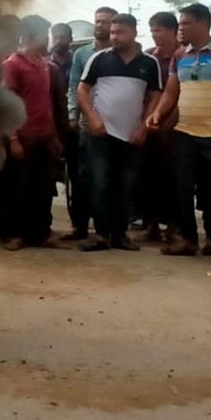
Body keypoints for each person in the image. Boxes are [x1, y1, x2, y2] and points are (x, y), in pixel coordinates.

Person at [147, 3, 211, 267]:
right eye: (180, 24)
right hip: (185, 132)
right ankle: (188, 240)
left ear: (203, 24)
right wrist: (158, 113)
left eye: (185, 24)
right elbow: (171, 91)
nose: (180, 28)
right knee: (181, 188)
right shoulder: (180, 55)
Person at [76, 13, 161, 251]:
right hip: (101, 133)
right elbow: (82, 90)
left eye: (120, 32)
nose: (114, 37)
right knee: (100, 183)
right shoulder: (99, 59)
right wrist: (92, 118)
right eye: (112, 32)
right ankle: (102, 235)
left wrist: (144, 126)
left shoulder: (148, 63)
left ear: (134, 32)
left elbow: (156, 95)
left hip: (132, 136)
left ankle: (120, 235)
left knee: (126, 185)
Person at [1, 16, 64, 251]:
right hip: (23, 137)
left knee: (43, 188)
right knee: (18, 188)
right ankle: (13, 234)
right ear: (29, 36)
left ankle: (41, 234)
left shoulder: (47, 66)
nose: (48, 39)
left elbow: (48, 104)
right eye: (44, 34)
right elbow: (7, 104)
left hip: (44, 137)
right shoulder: (12, 64)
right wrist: (14, 138)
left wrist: (55, 136)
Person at [67, 7, 116, 239]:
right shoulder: (82, 54)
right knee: (83, 177)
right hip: (88, 123)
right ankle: (80, 227)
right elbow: (74, 87)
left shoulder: (121, 54)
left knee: (109, 178)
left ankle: (107, 229)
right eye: (97, 21)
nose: (99, 25)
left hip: (117, 125)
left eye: (105, 22)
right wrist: (73, 115)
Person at [139, 11, 181, 243]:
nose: (156, 35)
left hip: (176, 127)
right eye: (153, 29)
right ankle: (151, 224)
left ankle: (173, 227)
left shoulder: (183, 56)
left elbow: (182, 94)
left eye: (160, 30)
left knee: (174, 178)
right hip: (149, 125)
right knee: (149, 177)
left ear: (173, 31)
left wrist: (169, 123)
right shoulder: (148, 57)